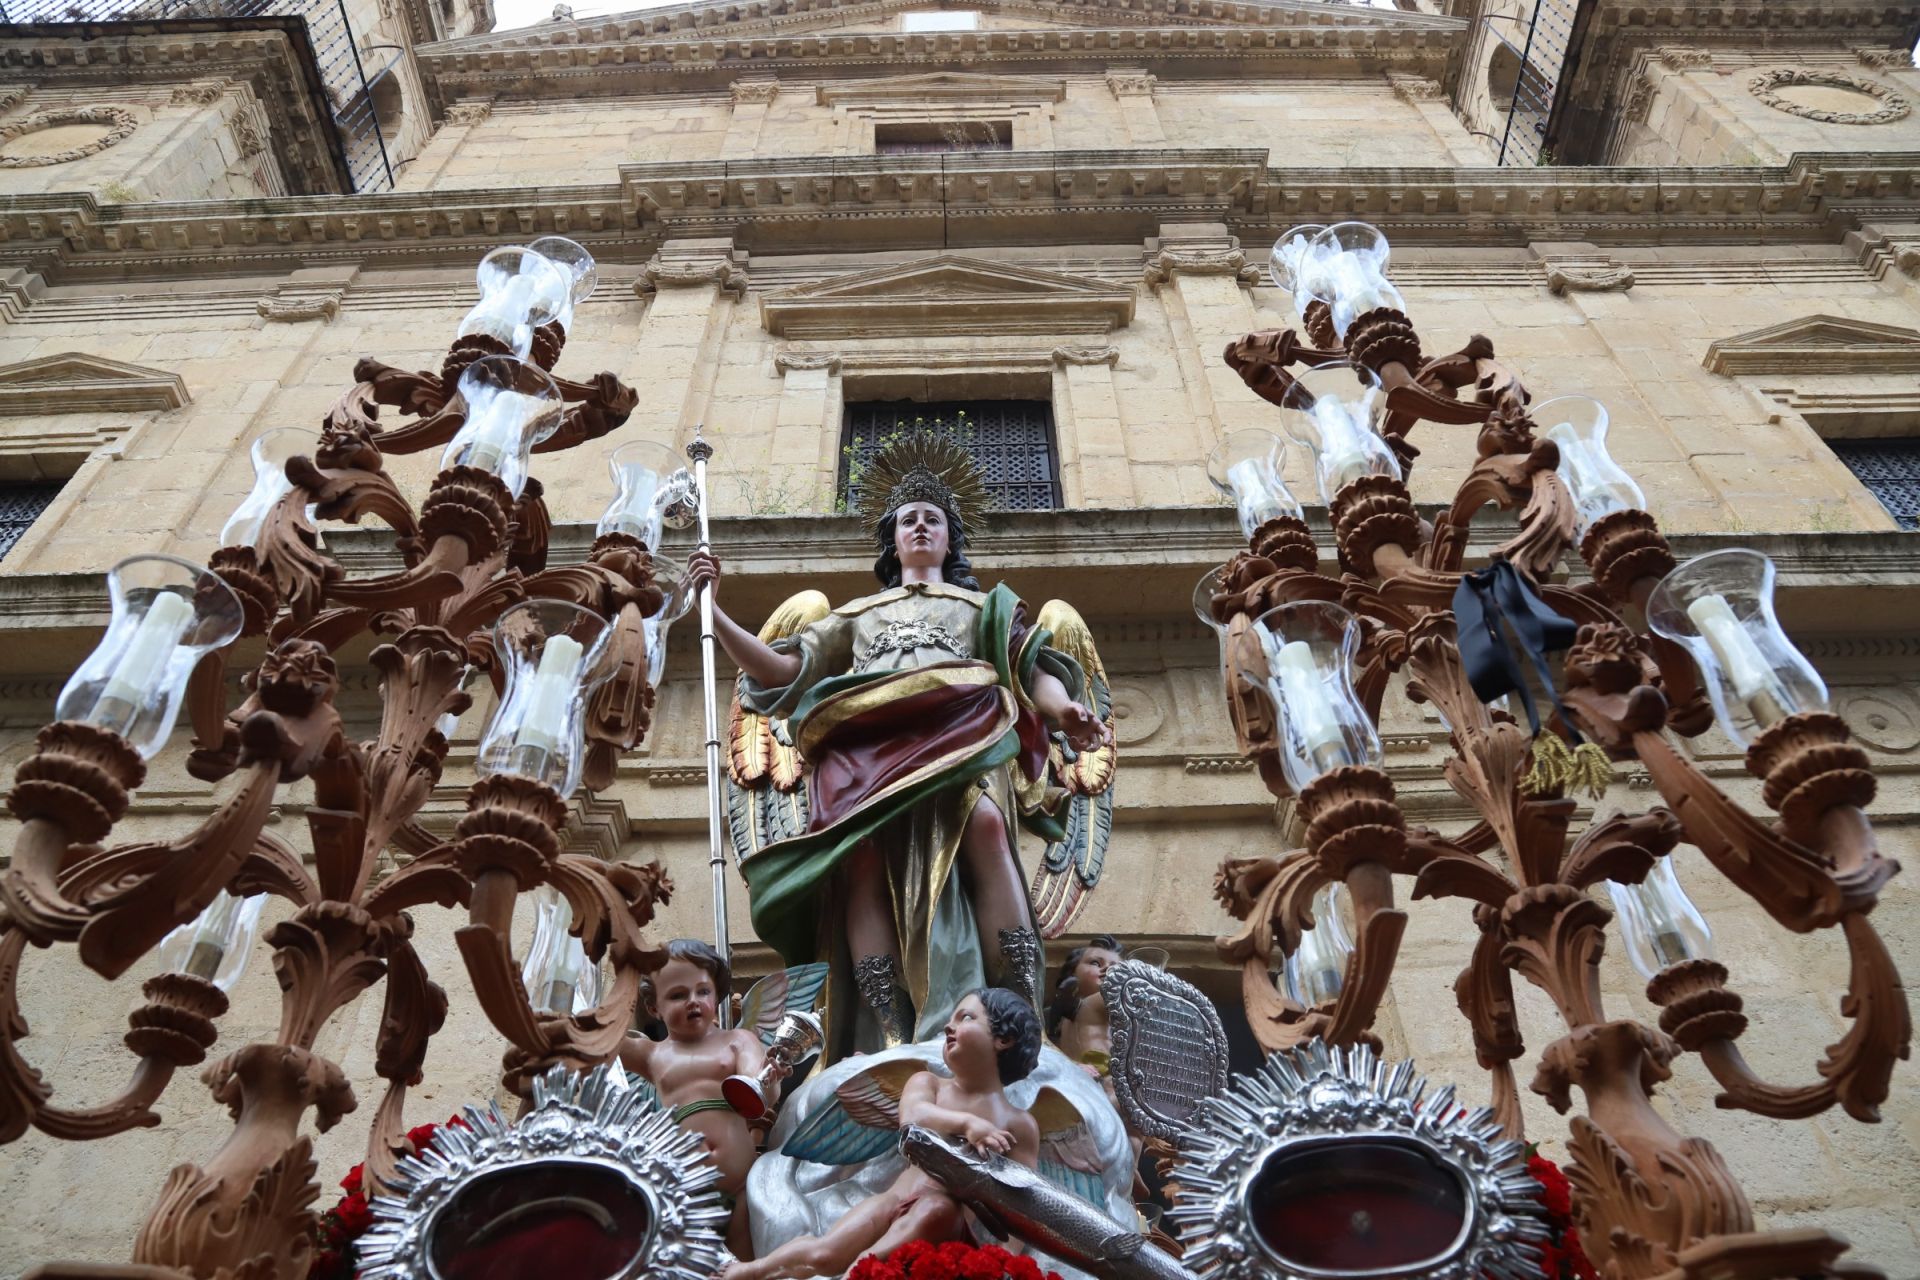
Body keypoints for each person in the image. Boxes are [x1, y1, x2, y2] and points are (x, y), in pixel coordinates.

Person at [689, 435, 1111, 1058]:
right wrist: (713, 610)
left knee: (989, 828)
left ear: (949, 539)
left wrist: (1064, 708)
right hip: (865, 753)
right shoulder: (857, 615)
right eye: (908, 519)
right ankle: (889, 1030)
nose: (919, 527)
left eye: (932, 520)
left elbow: (1030, 667)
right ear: (893, 538)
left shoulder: (983, 606)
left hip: (965, 733)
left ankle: (1019, 1005)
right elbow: (780, 672)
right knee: (861, 867)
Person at [720, 989, 1043, 1280]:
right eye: (950, 1018)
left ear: (1004, 1039)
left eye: (966, 1017)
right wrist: (967, 1125)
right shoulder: (927, 1083)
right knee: (825, 1251)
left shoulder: (1019, 1125)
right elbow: (913, 1118)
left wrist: (1004, 1261)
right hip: (893, 1199)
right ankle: (752, 1270)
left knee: (925, 1217)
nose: (949, 1026)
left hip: (945, 1220)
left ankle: (856, 1274)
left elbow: (1020, 1207)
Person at [617, 939, 787, 1257]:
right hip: (684, 1190)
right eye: (678, 995)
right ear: (654, 1007)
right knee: (692, 1265)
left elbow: (760, 1087)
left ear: (717, 993)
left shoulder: (737, 1041)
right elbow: (598, 1041)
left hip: (741, 1184)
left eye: (703, 991)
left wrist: (770, 1079)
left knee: (746, 1262)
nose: (693, 1001)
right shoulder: (652, 1054)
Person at [1046, 934, 1125, 1081]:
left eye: (1117, 968)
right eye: (1095, 963)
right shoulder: (1087, 1004)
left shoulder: (1123, 1021)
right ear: (1073, 971)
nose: (1107, 968)